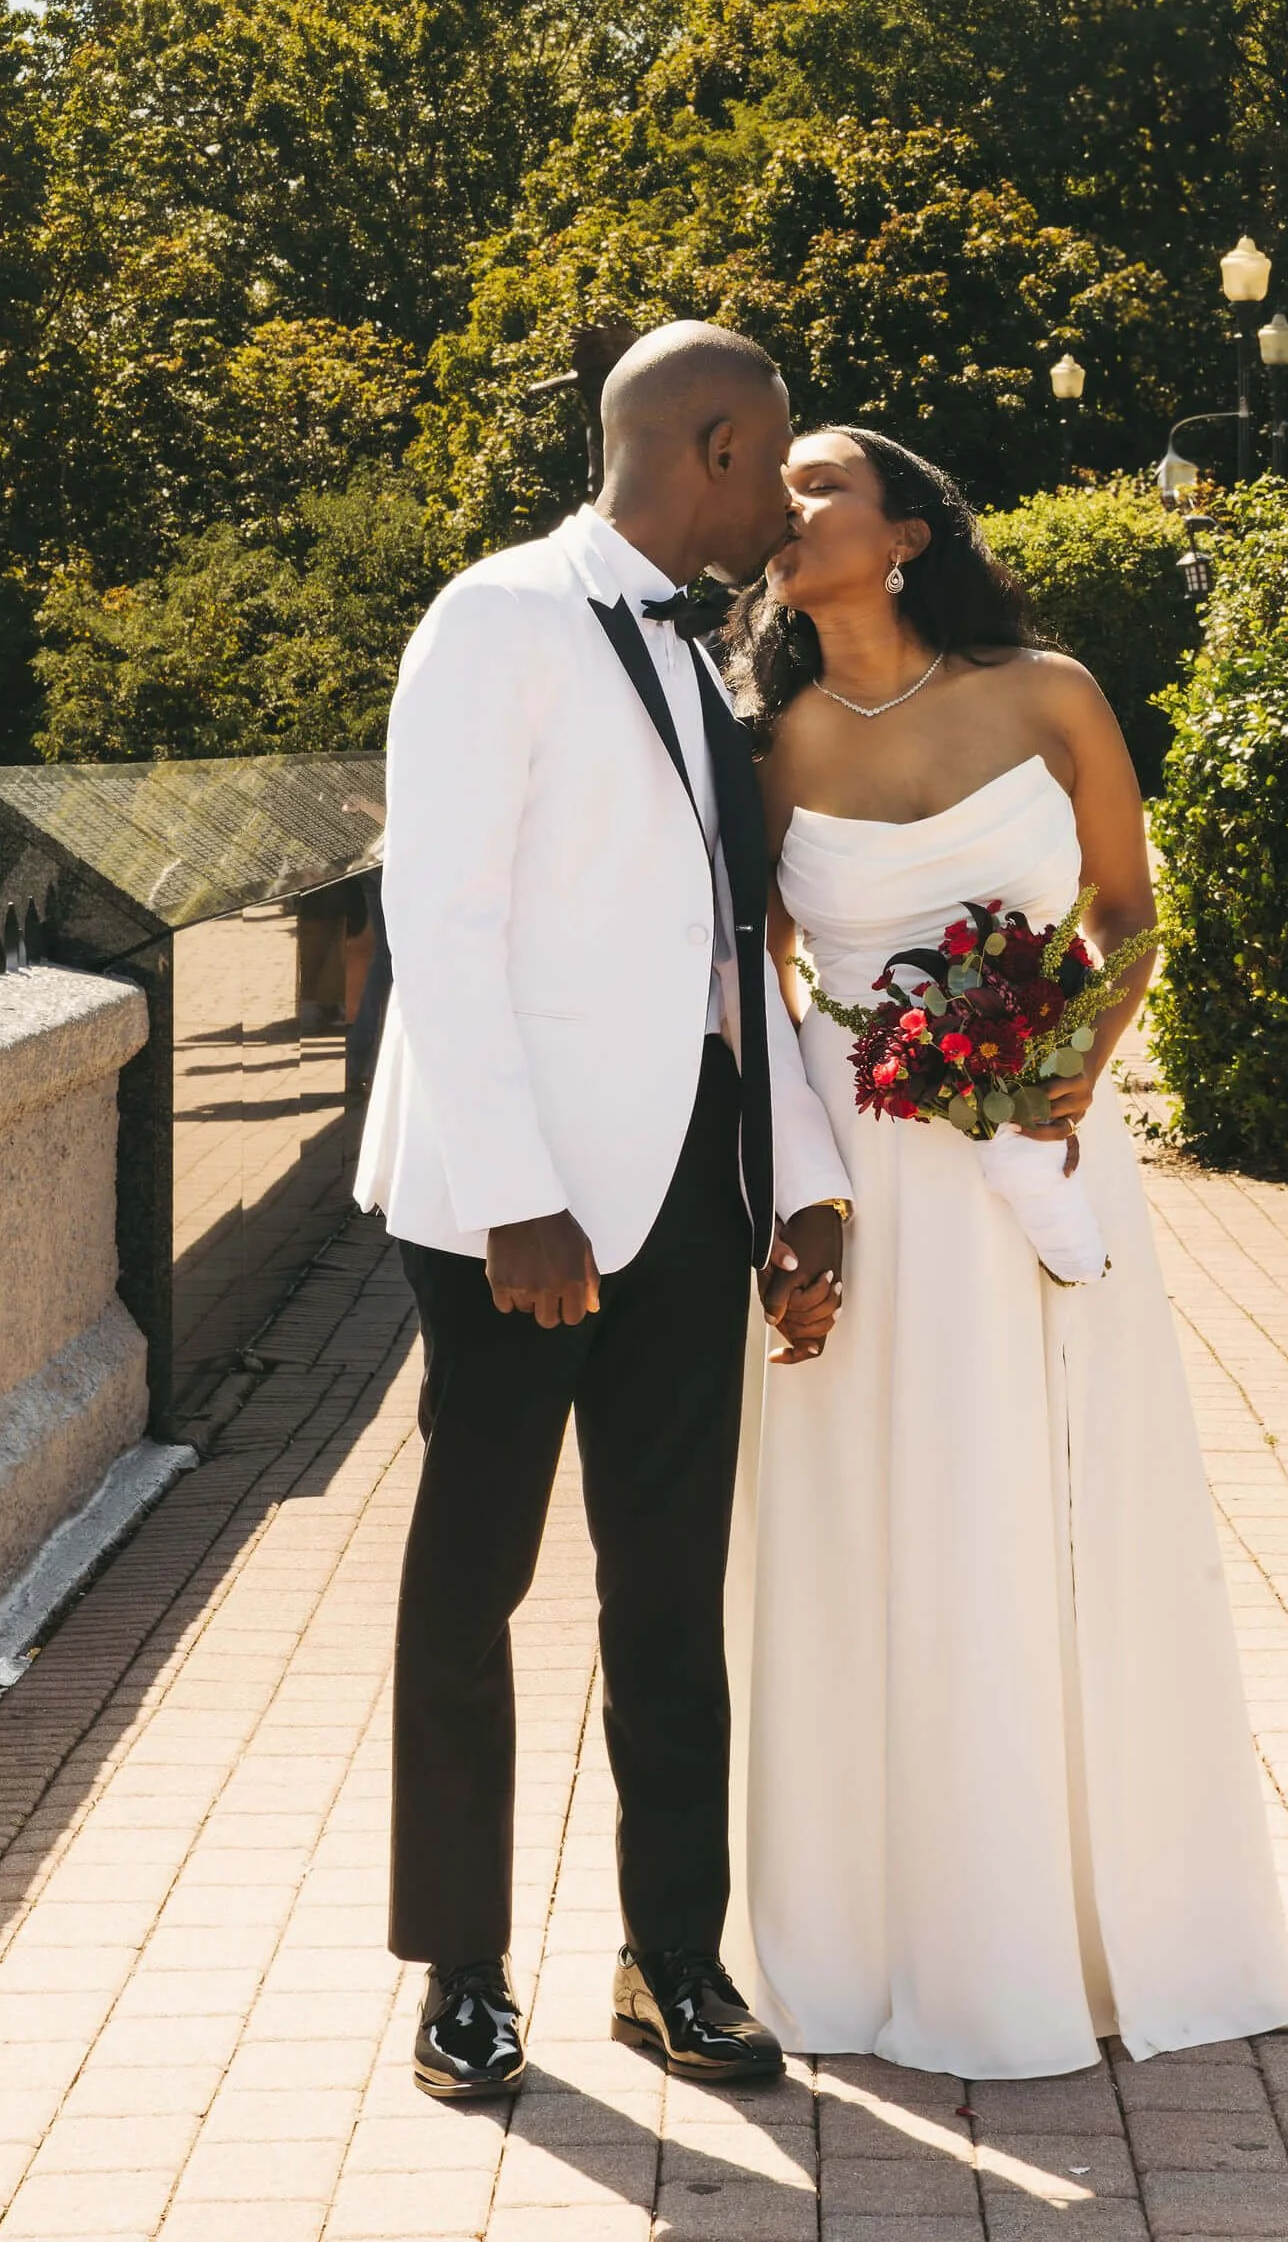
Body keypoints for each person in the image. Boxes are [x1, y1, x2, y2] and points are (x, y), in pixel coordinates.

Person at [723, 427, 1288, 2077]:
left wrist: (1065, 1071)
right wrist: (800, 1205)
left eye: (822, 479)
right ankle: (882, 1936)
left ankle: (1100, 1927)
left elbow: (1126, 912)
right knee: (873, 1531)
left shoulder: (1053, 695)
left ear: (906, 529)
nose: (789, 500)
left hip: (1038, 1159)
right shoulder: (769, 749)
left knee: (1051, 1511)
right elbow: (761, 992)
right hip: (865, 1185)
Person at [355, 324, 855, 2104]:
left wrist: (798, 1178)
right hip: (526, 1209)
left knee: (669, 1587)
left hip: (696, 1185)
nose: (790, 489)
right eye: (778, 454)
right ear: (709, 442)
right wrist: (515, 1198)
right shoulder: (491, 619)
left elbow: (736, 951)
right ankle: (463, 1973)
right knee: (472, 1580)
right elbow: (446, 922)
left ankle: (673, 1959)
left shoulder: (714, 654)